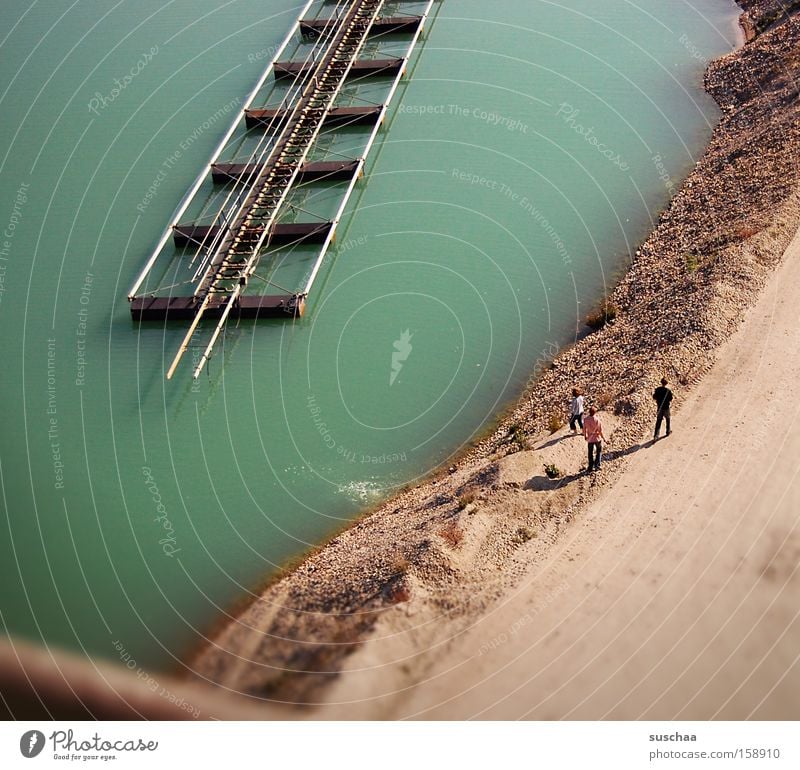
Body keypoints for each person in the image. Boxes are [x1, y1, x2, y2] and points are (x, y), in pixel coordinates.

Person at [582, 406, 605, 472]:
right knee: (599, 451)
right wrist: (603, 438)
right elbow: (600, 431)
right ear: (595, 412)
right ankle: (597, 465)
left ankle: (590, 466)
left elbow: (584, 430)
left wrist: (585, 436)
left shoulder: (585, 420)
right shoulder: (597, 420)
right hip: (597, 438)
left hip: (590, 438)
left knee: (590, 453)